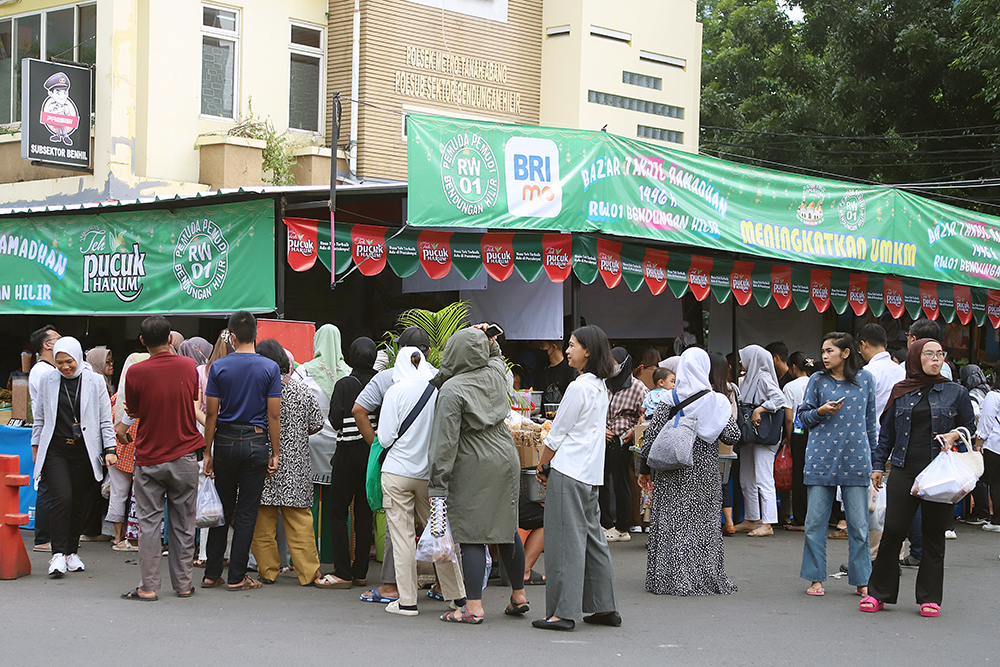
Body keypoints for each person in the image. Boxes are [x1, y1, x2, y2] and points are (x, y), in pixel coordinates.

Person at [862, 338, 975, 617]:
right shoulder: (900, 391)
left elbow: (969, 425)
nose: (936, 359)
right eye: (929, 354)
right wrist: (878, 465)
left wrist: (955, 433)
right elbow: (886, 434)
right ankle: (879, 594)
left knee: (933, 535)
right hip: (903, 468)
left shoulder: (955, 392)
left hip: (940, 473)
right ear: (915, 357)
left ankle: (929, 598)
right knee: (894, 531)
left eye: (940, 354)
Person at [428, 326, 528, 625]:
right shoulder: (496, 374)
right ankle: (519, 595)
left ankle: (473, 606)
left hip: (475, 460)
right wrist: (490, 340)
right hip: (505, 454)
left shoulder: (452, 389)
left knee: (472, 533)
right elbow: (497, 357)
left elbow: (444, 444)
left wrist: (437, 486)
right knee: (506, 527)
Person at [532, 325, 620, 631]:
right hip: (589, 473)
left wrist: (542, 466)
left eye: (572, 345)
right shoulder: (599, 386)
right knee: (593, 539)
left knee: (562, 543)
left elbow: (557, 434)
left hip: (569, 471)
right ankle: (604, 606)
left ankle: (562, 612)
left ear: (588, 351)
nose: (567, 350)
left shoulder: (579, 386)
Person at [638, 347, 741, 596]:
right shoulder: (716, 401)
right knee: (703, 524)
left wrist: (644, 470)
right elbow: (732, 435)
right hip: (704, 472)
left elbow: (650, 439)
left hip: (672, 471)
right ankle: (703, 576)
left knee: (672, 523)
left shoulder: (669, 399)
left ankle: (670, 578)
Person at [117, 316, 204, 600]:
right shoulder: (188, 365)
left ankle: (149, 586)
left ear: (142, 341)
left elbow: (136, 409)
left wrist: (122, 428)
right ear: (170, 339)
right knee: (184, 522)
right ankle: (183, 584)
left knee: (149, 523)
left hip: (150, 456)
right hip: (184, 454)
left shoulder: (135, 372)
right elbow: (190, 399)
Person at [378, 346, 466, 615]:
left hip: (396, 474)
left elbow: (384, 438)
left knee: (403, 538)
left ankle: (407, 602)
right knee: (440, 534)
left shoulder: (395, 392)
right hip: (430, 477)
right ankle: (457, 596)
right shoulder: (437, 391)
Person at [352, 325, 433, 605]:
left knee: (397, 529)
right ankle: (447, 587)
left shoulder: (388, 379)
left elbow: (358, 410)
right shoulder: (438, 378)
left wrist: (378, 445)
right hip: (430, 467)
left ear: (400, 351)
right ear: (429, 352)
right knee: (438, 525)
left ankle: (392, 587)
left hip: (398, 466)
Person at [202, 311, 282, 592]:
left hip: (224, 441)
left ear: (232, 336)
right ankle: (237, 575)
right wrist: (275, 452)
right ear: (256, 334)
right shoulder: (270, 368)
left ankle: (212, 573)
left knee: (221, 509)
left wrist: (207, 452)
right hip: (256, 442)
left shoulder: (219, 368)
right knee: (247, 512)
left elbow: (211, 415)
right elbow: (274, 416)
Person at [797, 332, 877, 597]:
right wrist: (820, 411)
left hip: (856, 460)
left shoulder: (866, 379)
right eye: (822, 351)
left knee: (859, 526)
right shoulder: (817, 380)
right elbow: (803, 418)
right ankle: (815, 578)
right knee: (815, 523)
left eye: (829, 351)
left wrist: (875, 462)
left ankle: (862, 580)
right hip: (820, 459)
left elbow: (870, 423)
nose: (824, 356)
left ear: (845, 353)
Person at [30, 336, 116, 577]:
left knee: (79, 501)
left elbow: (105, 420)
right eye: (60, 363)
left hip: (85, 449)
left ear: (77, 357)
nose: (65, 367)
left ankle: (71, 552)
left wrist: (110, 449)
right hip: (56, 448)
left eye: (69, 362)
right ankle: (57, 554)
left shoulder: (95, 381)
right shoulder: (48, 379)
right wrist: (35, 446)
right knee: (62, 498)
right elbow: (40, 417)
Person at [250, 340, 331, 587]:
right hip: (296, 465)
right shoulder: (302, 390)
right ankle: (308, 573)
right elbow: (317, 423)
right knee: (300, 523)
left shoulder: (257, 391)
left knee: (262, 523)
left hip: (263, 463)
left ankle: (268, 571)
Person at [325, 336, 378, 588]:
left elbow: (335, 420)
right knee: (364, 513)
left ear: (349, 357)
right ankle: (361, 572)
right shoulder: (380, 382)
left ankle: (342, 571)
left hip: (346, 453)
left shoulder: (344, 384)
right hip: (370, 452)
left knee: (338, 512)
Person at [733, 344, 786, 537]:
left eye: (744, 358)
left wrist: (759, 409)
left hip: (763, 436)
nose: (741, 362)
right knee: (746, 477)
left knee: (763, 477)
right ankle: (752, 518)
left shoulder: (762, 378)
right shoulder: (748, 379)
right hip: (752, 434)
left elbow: (780, 400)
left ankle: (768, 522)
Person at [601, 347, 648, 542]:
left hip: (622, 440)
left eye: (615, 361)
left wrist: (632, 432)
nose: (611, 365)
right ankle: (605, 524)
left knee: (621, 482)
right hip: (602, 437)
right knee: (601, 481)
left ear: (624, 363)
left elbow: (645, 415)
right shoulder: (602, 383)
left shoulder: (637, 387)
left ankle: (622, 527)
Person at [107, 352, 149, 551]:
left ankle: (118, 535)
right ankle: (138, 536)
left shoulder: (118, 397)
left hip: (119, 450)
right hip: (142, 452)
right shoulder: (149, 395)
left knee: (118, 493)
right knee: (141, 496)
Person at [28, 324, 60, 553]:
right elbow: (45, 409)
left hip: (53, 432)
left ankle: (51, 536)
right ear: (47, 345)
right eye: (58, 338)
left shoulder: (50, 369)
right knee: (48, 486)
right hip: (50, 433)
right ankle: (43, 538)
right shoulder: (42, 371)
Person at [780, 352, 818, 530]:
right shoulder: (817, 382)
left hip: (799, 432)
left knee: (799, 475)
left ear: (794, 367)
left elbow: (789, 418)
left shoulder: (790, 387)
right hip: (817, 432)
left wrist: (789, 438)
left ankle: (800, 518)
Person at [710, 352, 740, 535]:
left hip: (708, 442)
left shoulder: (706, 389)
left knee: (708, 484)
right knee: (723, 481)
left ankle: (712, 523)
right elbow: (734, 417)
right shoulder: (731, 389)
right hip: (727, 441)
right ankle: (729, 522)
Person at [976, 360, 1000, 533]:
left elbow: (987, 419)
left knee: (996, 483)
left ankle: (997, 520)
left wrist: (979, 441)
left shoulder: (994, 395)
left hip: (995, 445)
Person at [534, 339, 578, 403]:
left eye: (542, 345)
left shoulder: (571, 371)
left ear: (553, 347)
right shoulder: (542, 370)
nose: (540, 348)